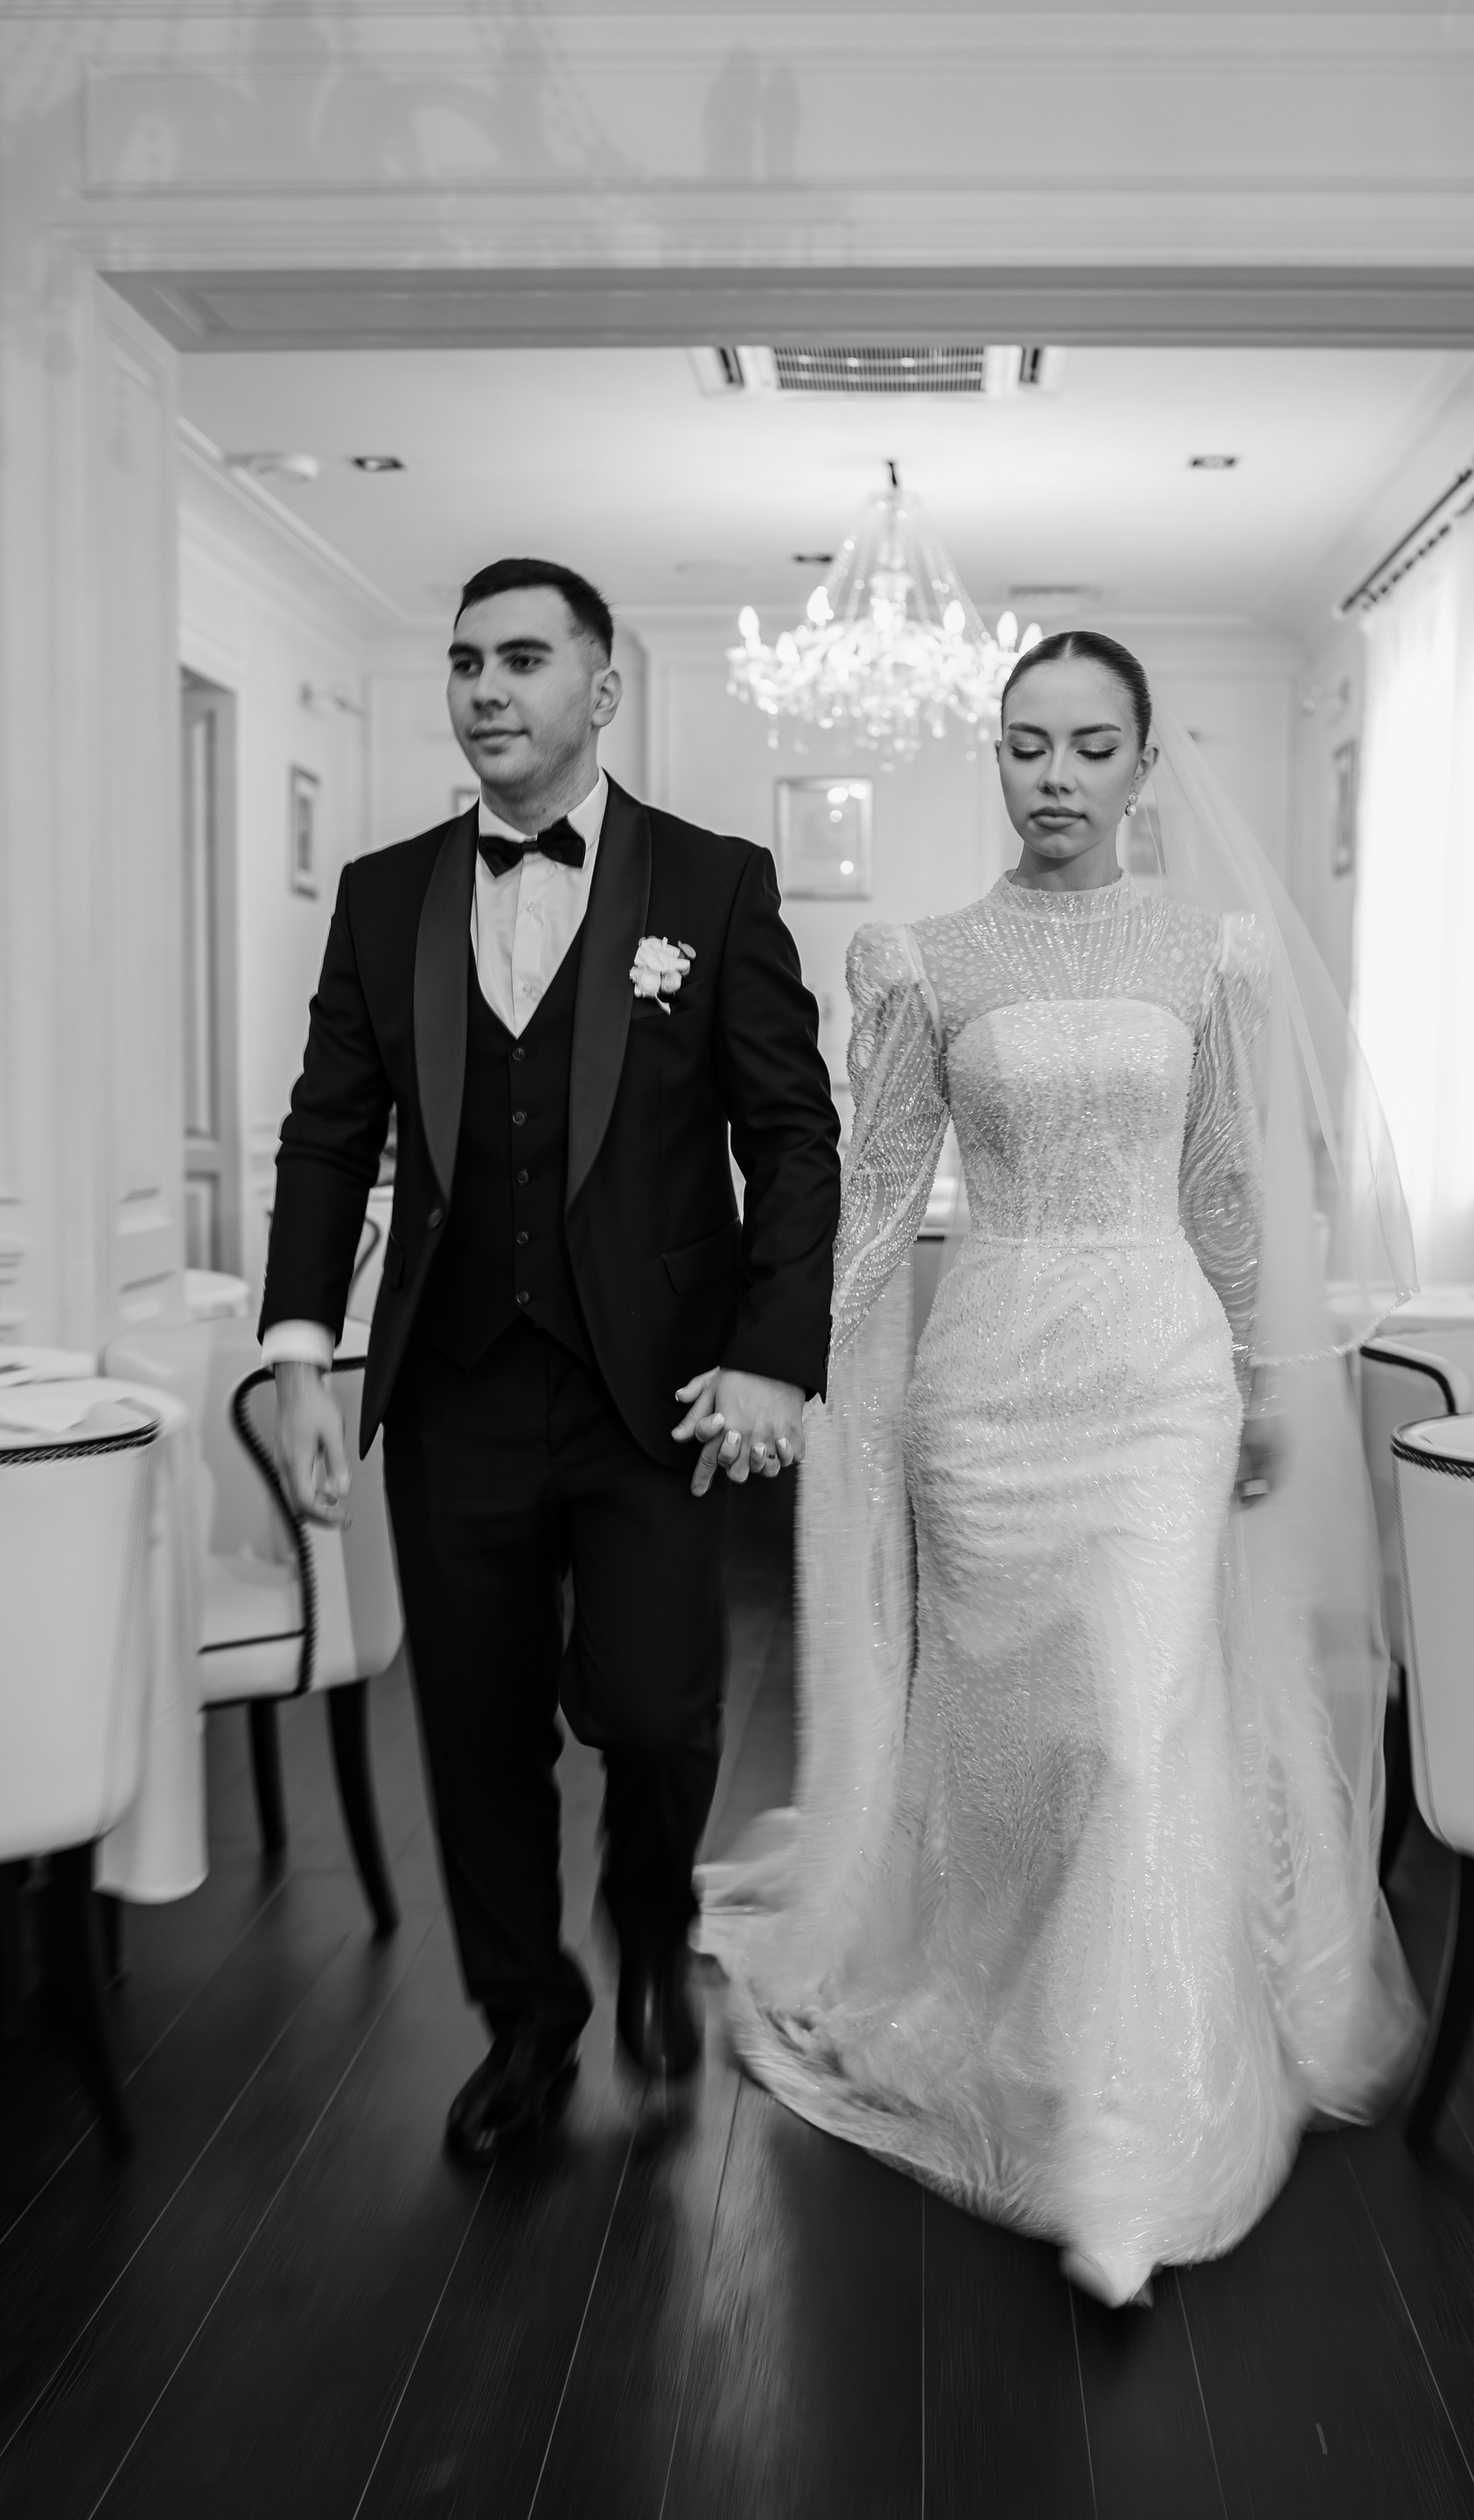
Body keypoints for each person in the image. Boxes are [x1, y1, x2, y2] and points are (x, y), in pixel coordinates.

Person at [701, 632, 1423, 2306]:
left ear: (1145, 765)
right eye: (1028, 744)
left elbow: (1225, 1184)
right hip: (987, 1391)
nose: (1056, 776)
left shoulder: (1208, 951)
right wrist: (812, 1374)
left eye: (1093, 747)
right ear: (997, 756)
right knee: (1019, 1739)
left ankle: (1121, 2138)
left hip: (1158, 1376)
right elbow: (877, 1195)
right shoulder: (926, 958)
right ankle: (997, 2013)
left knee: (1131, 1725)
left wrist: (1258, 1378)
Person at [260, 557, 841, 2161]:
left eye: (523, 659)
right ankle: (526, 2021)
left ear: (603, 689)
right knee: (476, 1723)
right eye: (465, 662)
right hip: (454, 1380)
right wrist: (304, 1355)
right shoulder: (383, 894)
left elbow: (794, 1136)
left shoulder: (714, 882)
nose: (486, 689)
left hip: (652, 1385)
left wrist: (775, 1355)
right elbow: (328, 1133)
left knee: (655, 1712)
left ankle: (650, 1930)